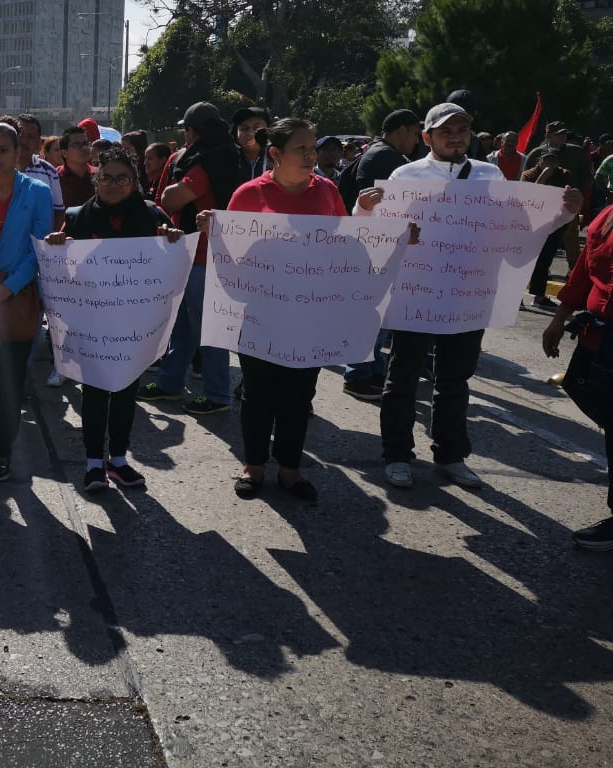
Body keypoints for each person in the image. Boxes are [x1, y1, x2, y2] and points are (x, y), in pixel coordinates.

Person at [356, 103, 582, 491]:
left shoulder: (490, 176)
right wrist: (364, 209)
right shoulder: (404, 176)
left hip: (466, 298)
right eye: (446, 130)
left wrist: (562, 215)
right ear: (427, 137)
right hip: (415, 297)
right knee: (403, 379)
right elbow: (374, 234)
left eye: (462, 129)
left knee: (455, 381)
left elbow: (518, 235)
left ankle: (450, 456)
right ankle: (396, 455)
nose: (456, 136)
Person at [207, 117, 347, 502]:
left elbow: (347, 247)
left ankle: (290, 468)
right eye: (301, 149)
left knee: (299, 394)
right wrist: (214, 235)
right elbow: (231, 254)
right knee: (258, 392)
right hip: (260, 314)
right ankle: (253, 465)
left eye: (313, 147)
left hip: (310, 313)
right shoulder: (249, 195)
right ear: (275, 154)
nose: (311, 155)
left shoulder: (328, 191)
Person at [46, 147, 182, 493]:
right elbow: (61, 267)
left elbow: (172, 259)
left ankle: (118, 460)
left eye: (122, 178)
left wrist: (173, 241)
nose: (114, 184)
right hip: (92, 324)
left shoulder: (153, 216)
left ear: (135, 182)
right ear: (96, 180)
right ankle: (94, 463)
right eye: (106, 178)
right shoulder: (78, 218)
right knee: (94, 394)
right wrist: (58, 245)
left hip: (134, 324)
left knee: (125, 393)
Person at [138, 102, 238, 416]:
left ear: (193, 131)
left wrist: (170, 185)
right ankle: (169, 383)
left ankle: (218, 394)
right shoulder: (224, 156)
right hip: (192, 254)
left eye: (187, 129)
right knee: (181, 326)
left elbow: (171, 198)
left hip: (205, 257)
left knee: (209, 330)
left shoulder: (208, 160)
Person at [0, 120, 53, 482]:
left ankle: (2, 449)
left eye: (2, 150)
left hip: (18, 297)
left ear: (18, 150)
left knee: (10, 379)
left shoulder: (37, 191)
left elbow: (40, 247)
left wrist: (11, 285)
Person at [542, 203, 613, 550]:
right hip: (599, 342)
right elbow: (584, 269)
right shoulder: (607, 214)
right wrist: (560, 317)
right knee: (581, 389)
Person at [341, 109, 423, 400]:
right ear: (401, 130)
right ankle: (358, 375)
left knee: (380, 315)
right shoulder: (384, 158)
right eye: (414, 133)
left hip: (381, 247)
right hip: (375, 249)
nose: (416, 141)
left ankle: (373, 369)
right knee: (372, 315)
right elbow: (383, 207)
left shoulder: (383, 155)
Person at [0, 114, 64, 227]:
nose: (24, 141)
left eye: (30, 136)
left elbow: (57, 213)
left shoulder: (44, 184)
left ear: (39, 141)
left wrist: (51, 240)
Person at [523, 152, 575, 311]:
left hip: (553, 224)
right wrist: (544, 176)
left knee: (544, 262)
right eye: (547, 160)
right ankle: (515, 297)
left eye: (554, 160)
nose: (550, 163)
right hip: (531, 224)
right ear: (540, 161)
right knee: (524, 261)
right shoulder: (529, 174)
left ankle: (539, 297)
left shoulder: (564, 174)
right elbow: (530, 195)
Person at [231, 106, 270, 181]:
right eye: (244, 128)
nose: (250, 133)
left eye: (257, 128)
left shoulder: (279, 160)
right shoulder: (228, 161)